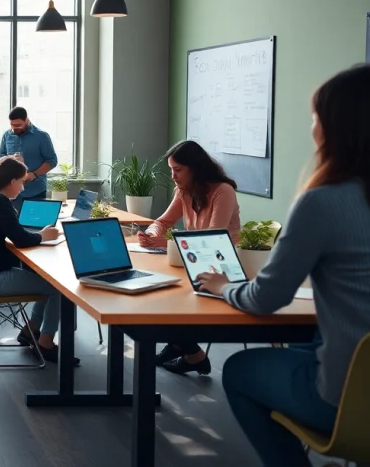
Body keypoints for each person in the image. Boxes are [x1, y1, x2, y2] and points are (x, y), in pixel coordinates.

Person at [197, 64, 370, 467]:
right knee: (306, 341)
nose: (312, 128)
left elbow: (266, 298)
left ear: (334, 129)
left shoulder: (323, 202)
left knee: (238, 370)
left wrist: (223, 286)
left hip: (348, 399)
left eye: (315, 118)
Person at [137, 140, 240, 375]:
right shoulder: (183, 191)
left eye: (178, 170)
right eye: (171, 170)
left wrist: (168, 243)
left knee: (166, 296)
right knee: (155, 291)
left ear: (195, 168)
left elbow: (211, 239)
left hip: (222, 268)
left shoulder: (223, 191)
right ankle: (187, 350)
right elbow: (163, 221)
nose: (173, 176)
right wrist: (152, 234)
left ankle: (188, 351)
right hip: (193, 261)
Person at [0, 157, 78, 364]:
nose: (23, 188)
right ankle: (45, 343)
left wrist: (36, 235)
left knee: (48, 283)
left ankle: (30, 331)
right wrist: (43, 235)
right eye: (21, 182)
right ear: (11, 181)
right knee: (60, 289)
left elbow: (14, 234)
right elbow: (21, 239)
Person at [0, 107, 57, 211]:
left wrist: (34, 174)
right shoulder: (7, 135)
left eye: (18, 125)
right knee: (12, 220)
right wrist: (10, 159)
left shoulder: (41, 136)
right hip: (12, 191)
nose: (15, 128)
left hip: (35, 191)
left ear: (27, 120)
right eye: (12, 125)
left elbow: (52, 161)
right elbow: (0, 156)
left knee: (34, 220)